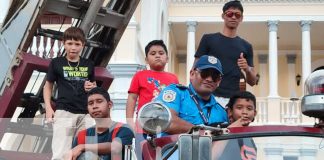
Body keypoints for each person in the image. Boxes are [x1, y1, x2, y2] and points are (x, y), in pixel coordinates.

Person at [43, 27, 97, 160]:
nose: (73, 47)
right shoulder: (57, 63)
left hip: (86, 114)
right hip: (64, 113)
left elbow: (94, 87)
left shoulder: (89, 64)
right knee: (61, 152)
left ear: (83, 45)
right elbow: (48, 86)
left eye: (77, 44)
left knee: (88, 153)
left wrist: (92, 87)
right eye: (70, 43)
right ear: (64, 43)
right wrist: (49, 108)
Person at [195, 0, 257, 107]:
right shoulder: (208, 39)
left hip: (233, 100)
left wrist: (247, 69)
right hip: (208, 96)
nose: (233, 17)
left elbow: (252, 81)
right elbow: (195, 69)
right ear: (223, 16)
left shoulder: (246, 46)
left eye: (237, 15)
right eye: (230, 14)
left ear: (241, 18)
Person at [125, 40, 179, 158]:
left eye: (161, 53)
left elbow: (177, 101)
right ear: (146, 59)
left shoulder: (173, 78)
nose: (157, 55)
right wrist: (130, 121)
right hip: (143, 125)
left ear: (167, 58)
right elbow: (132, 97)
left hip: (166, 125)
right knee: (143, 155)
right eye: (153, 53)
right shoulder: (140, 75)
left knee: (165, 154)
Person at [155, 55, 228, 134]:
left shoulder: (222, 112)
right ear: (192, 74)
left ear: (219, 81)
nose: (209, 79)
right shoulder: (176, 92)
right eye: (205, 74)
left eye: (215, 76)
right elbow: (166, 120)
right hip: (175, 146)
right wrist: (202, 132)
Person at [66, 87, 134, 160]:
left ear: (110, 104)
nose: (95, 106)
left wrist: (82, 147)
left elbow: (115, 147)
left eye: (99, 101)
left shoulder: (124, 129)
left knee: (89, 155)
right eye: (90, 103)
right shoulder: (82, 135)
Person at [212, 91, 257, 160]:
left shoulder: (250, 138)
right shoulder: (219, 130)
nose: (244, 112)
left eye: (249, 108)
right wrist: (232, 128)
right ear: (230, 111)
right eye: (239, 108)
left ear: (254, 113)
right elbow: (211, 156)